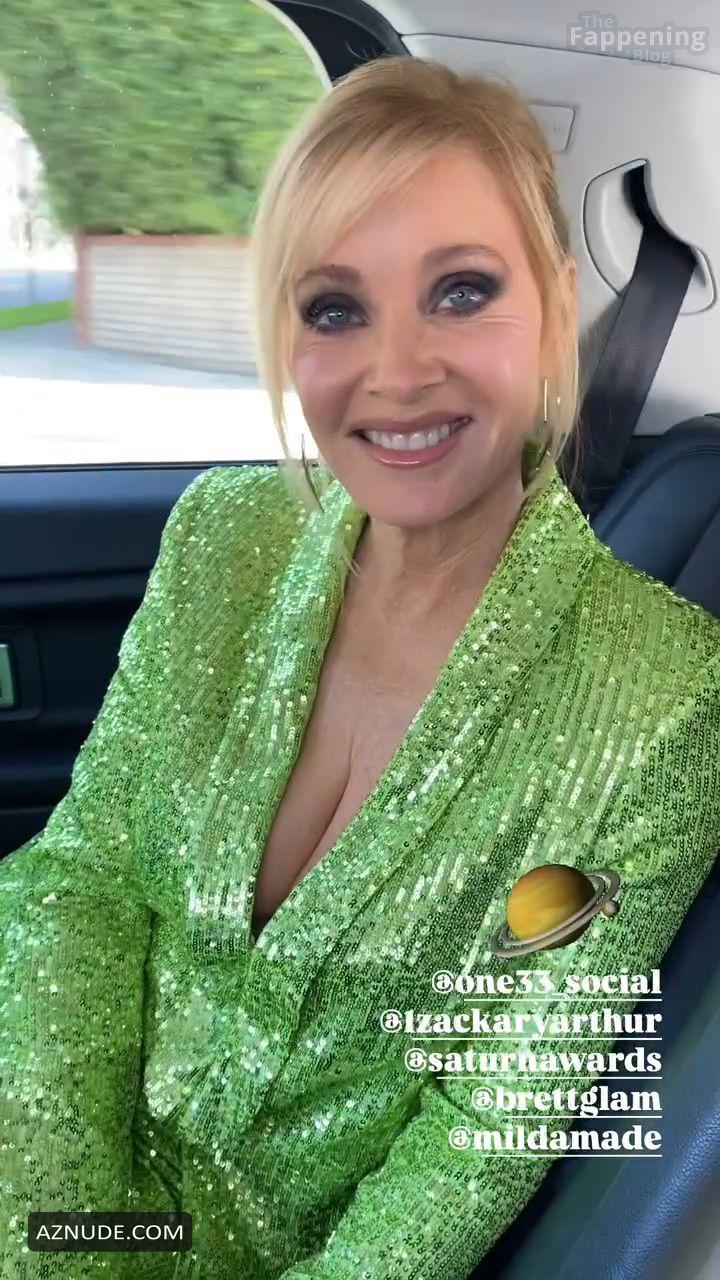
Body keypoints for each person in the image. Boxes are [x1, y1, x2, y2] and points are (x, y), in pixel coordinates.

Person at [2, 55, 720, 1280]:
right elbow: (82, 881)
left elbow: (486, 1123)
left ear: (554, 307)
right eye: (335, 308)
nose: (397, 370)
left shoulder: (665, 699)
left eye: (461, 291)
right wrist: (62, 1231)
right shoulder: (223, 538)